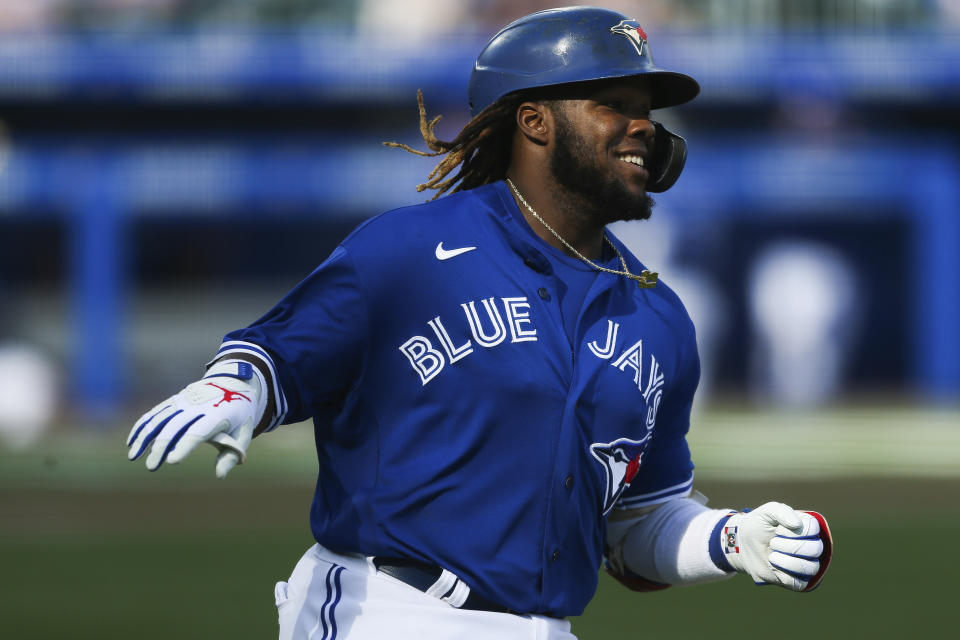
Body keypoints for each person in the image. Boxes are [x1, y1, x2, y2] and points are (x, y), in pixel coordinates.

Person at [126, 7, 832, 640]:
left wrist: (734, 539)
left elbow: (637, 526)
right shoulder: (409, 250)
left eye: (645, 108)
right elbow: (277, 356)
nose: (643, 125)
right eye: (614, 104)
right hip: (387, 613)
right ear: (534, 121)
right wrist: (234, 389)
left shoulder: (658, 316)